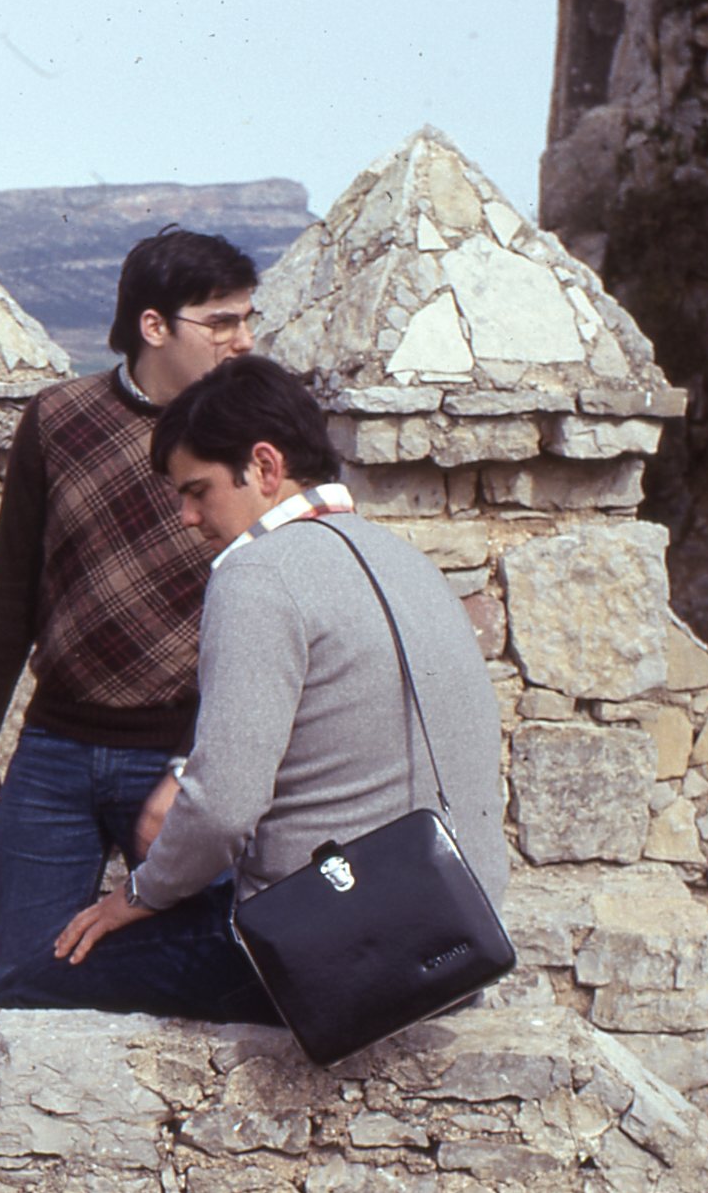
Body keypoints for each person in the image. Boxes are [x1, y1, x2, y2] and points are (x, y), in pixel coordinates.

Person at [48, 354, 508, 1013]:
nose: (186, 517)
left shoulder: (258, 576)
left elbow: (221, 809)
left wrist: (139, 895)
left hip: (339, 952)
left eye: (197, 490)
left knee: (32, 975)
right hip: (455, 937)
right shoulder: (406, 560)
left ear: (265, 467)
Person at [0, 228, 261, 1006]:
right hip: (54, 754)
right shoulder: (58, 419)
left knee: (215, 978)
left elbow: (270, 610)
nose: (243, 339)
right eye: (220, 322)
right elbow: (11, 583)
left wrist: (193, 766)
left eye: (246, 318)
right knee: (19, 984)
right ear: (153, 326)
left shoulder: (254, 440)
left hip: (181, 758)